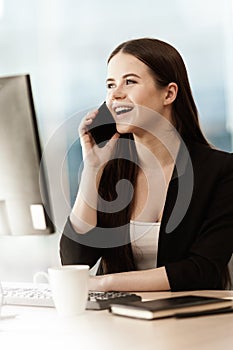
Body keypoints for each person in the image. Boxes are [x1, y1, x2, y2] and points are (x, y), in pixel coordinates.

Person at [60, 38, 233, 292]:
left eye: (129, 81)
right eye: (110, 85)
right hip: (120, 323)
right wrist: (92, 170)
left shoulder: (220, 171)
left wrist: (106, 282)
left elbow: (202, 270)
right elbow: (74, 263)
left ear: (169, 93)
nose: (116, 94)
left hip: (190, 322)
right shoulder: (111, 168)